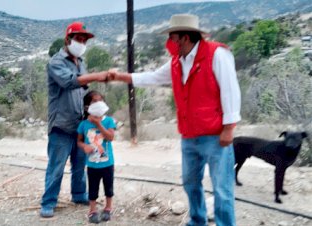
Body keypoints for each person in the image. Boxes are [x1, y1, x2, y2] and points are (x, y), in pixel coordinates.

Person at [109, 14, 241, 226]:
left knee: (222, 188)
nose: (169, 42)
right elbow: (152, 77)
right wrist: (120, 77)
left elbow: (231, 90)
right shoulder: (177, 62)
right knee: (190, 182)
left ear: (185, 38)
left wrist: (229, 128)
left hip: (215, 135)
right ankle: (197, 220)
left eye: (172, 37)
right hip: (189, 135)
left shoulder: (217, 53)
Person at [40, 21, 110, 218]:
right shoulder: (56, 62)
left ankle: (78, 194)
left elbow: (83, 92)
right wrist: (96, 76)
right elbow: (70, 82)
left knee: (80, 164)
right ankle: (48, 202)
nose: (81, 43)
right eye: (78, 39)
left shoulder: (82, 62)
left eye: (84, 40)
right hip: (61, 125)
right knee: (56, 167)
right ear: (67, 39)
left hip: (79, 125)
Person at [77, 91, 116, 223]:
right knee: (93, 188)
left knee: (108, 187)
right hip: (92, 164)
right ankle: (92, 210)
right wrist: (84, 147)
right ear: (87, 107)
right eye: (94, 101)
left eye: (101, 100)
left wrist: (98, 124)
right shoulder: (83, 124)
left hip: (107, 163)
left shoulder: (109, 121)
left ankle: (108, 208)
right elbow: (79, 140)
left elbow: (110, 137)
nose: (98, 103)